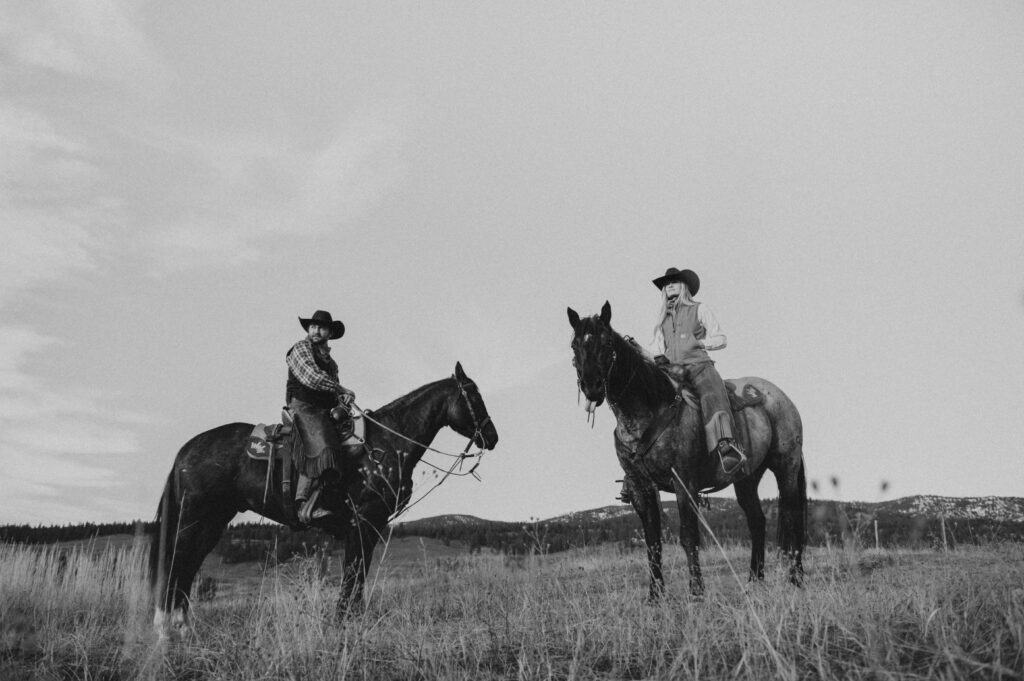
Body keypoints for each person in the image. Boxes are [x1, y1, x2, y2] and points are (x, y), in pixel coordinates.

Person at [649, 267, 748, 485]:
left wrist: (700, 343)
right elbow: (656, 348)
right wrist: (658, 360)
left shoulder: (699, 309)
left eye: (674, 281)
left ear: (684, 286)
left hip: (699, 366)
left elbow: (721, 337)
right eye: (666, 284)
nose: (669, 286)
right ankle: (641, 461)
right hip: (672, 371)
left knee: (712, 394)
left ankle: (726, 446)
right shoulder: (661, 320)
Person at [286, 309, 356, 523]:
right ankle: (304, 503)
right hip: (303, 406)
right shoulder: (300, 349)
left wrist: (342, 401)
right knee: (321, 443)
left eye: (322, 327)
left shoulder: (331, 363)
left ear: (329, 333)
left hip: (323, 409)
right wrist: (341, 389)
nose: (316, 331)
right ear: (308, 329)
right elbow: (312, 377)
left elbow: (333, 393)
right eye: (313, 326)